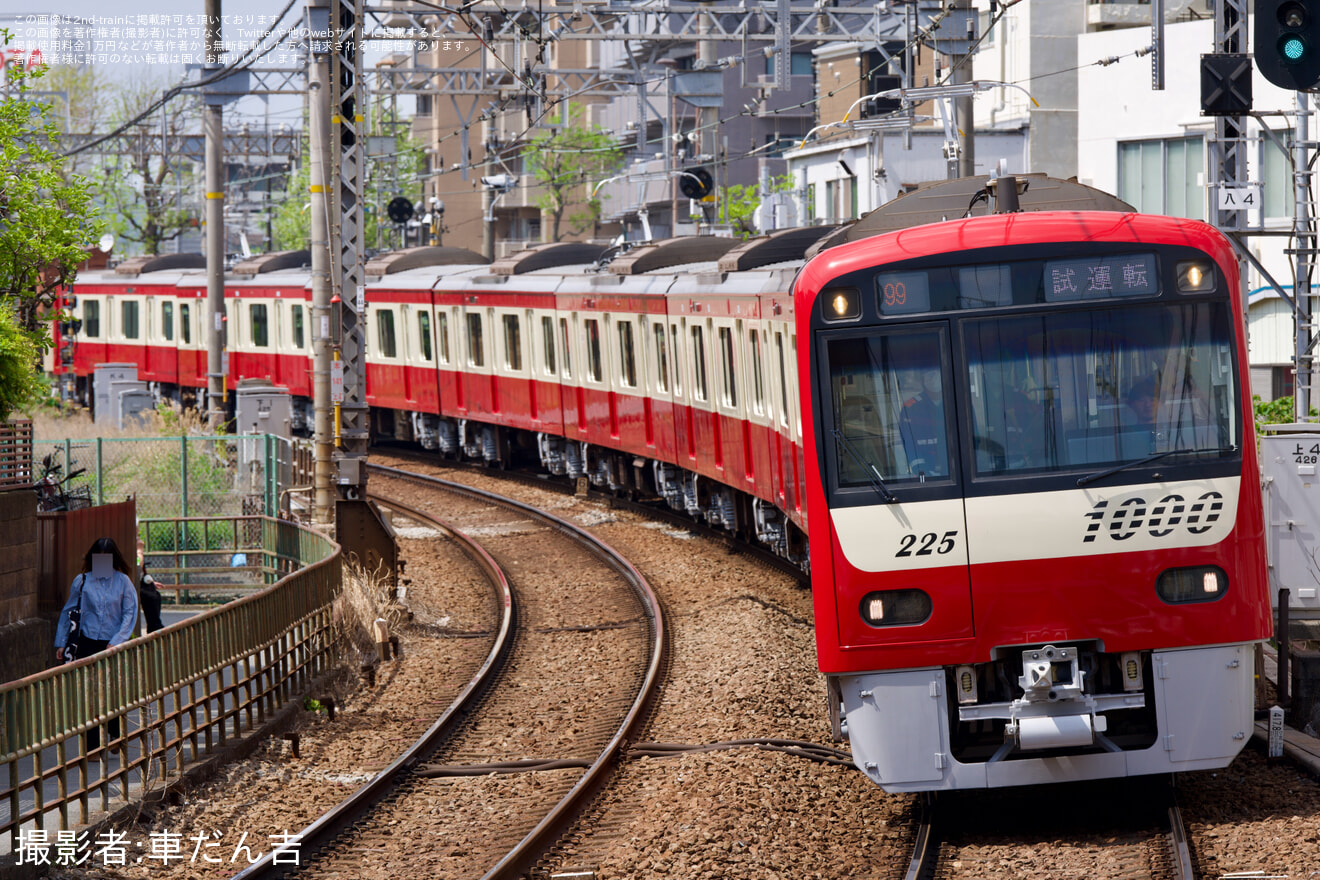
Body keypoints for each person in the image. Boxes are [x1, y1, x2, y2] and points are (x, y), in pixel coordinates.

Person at [55, 537, 139, 750]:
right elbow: (69, 612)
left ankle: (115, 733)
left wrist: (118, 640)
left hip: (113, 646)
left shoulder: (123, 582)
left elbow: (130, 613)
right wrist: (62, 643)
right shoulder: (82, 581)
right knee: (89, 693)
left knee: (112, 691)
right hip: (86, 644)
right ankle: (92, 745)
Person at [899, 367, 949, 476]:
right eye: (930, 375)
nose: (934, 379)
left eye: (938, 374)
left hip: (959, 475)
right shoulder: (910, 409)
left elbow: (973, 442)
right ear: (922, 379)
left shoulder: (960, 403)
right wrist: (922, 473)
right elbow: (910, 446)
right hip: (926, 478)